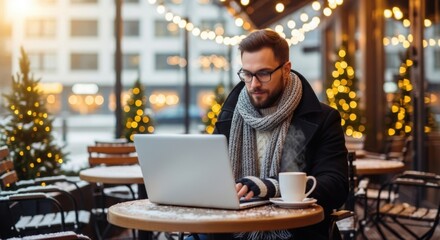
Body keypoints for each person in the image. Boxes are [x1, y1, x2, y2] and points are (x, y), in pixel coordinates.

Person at [213, 29, 349, 240]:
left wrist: (271, 187)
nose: (254, 84)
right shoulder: (229, 117)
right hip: (230, 232)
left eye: (264, 73)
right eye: (247, 74)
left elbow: (336, 187)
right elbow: (213, 176)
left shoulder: (323, 118)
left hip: (297, 234)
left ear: (286, 69)